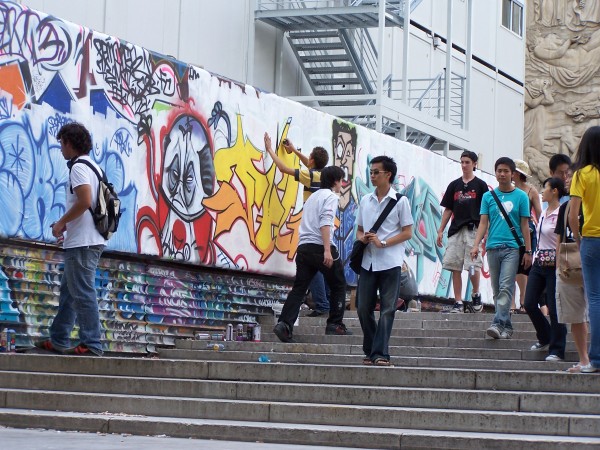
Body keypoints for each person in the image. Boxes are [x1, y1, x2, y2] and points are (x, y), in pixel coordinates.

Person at [35, 123, 106, 356]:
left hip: (83, 242)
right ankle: (58, 338)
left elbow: (85, 201)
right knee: (69, 292)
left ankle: (92, 343)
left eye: (61, 143)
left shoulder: (78, 167)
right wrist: (67, 224)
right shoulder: (94, 167)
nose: (61, 149)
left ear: (69, 142)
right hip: (87, 238)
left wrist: (60, 223)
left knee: (82, 291)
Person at [273, 166, 351, 342]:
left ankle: (284, 324)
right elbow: (325, 222)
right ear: (336, 181)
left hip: (304, 247)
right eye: (341, 180)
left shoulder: (312, 197)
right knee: (338, 284)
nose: (342, 184)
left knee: (299, 288)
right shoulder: (331, 197)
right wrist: (326, 250)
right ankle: (335, 323)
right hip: (319, 246)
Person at [264, 132, 331, 316]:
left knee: (312, 266)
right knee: (320, 266)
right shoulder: (323, 175)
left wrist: (270, 149)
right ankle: (325, 302)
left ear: (311, 161)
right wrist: (293, 150)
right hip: (323, 226)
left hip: (312, 228)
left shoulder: (309, 175)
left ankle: (322, 304)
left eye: (309, 157)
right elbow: (309, 166)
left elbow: (285, 169)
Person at [356, 156, 413, 366]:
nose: (372, 176)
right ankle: (371, 348)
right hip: (368, 262)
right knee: (363, 308)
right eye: (370, 172)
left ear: (388, 175)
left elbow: (408, 232)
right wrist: (362, 239)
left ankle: (380, 353)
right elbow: (360, 229)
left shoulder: (401, 201)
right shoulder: (365, 200)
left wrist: (384, 242)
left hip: (390, 262)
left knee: (388, 309)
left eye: (376, 172)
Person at [471, 157, 533, 339]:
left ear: (512, 174)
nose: (502, 174)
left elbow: (524, 225)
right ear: (495, 172)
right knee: (497, 289)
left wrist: (528, 251)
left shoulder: (521, 196)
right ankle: (506, 326)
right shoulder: (488, 196)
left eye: (506, 171)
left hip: (512, 248)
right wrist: (476, 245)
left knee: (506, 286)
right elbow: (483, 223)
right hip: (492, 247)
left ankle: (497, 323)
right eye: (499, 170)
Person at [436, 150, 488, 313]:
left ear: (474, 164)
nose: (464, 165)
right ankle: (458, 301)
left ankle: (475, 293)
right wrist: (440, 230)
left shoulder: (480, 185)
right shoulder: (454, 185)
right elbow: (448, 209)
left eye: (467, 162)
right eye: (462, 162)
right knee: (454, 266)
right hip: (456, 230)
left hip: (473, 230)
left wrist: (485, 232)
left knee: (472, 265)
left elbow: (486, 212)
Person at [524, 177, 567, 361]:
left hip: (555, 263)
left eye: (546, 188)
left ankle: (557, 349)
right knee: (529, 302)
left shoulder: (562, 212)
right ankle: (545, 336)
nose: (542, 192)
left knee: (555, 306)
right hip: (539, 261)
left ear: (555, 191)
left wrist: (560, 262)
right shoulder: (543, 212)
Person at [569, 126, 600, 373]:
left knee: (595, 299)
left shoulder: (582, 174)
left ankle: (596, 359)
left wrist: (578, 239)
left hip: (592, 239)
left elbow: (572, 215)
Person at [554, 170, 589, 372]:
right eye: (568, 177)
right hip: (570, 265)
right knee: (575, 316)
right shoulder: (566, 207)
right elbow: (560, 238)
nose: (567, 180)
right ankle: (584, 359)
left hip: (590, 260)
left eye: (572, 177)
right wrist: (559, 264)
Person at [512, 159, 542, 314]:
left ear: (517, 174)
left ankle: (523, 299)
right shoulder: (508, 190)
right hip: (510, 230)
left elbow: (539, 213)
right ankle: (511, 303)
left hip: (527, 230)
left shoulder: (531, 191)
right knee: (510, 266)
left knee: (524, 266)